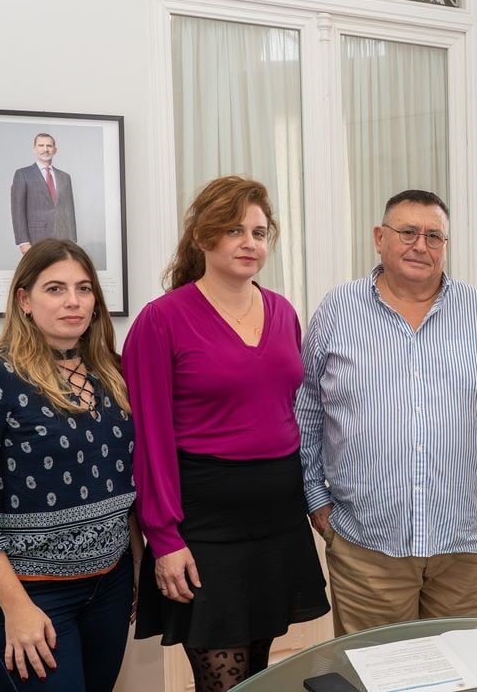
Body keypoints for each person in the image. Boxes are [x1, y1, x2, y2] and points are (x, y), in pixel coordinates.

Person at [296, 189, 477, 635]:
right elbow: (306, 408)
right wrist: (316, 496)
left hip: (463, 548)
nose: (420, 246)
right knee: (374, 676)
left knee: (466, 677)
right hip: (367, 547)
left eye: (434, 236)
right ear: (379, 237)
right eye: (407, 232)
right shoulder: (337, 310)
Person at [124, 176, 329, 691]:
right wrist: (163, 537)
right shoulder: (161, 320)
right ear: (203, 238)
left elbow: (288, 413)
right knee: (222, 681)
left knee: (258, 672)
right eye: (235, 230)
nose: (250, 243)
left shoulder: (282, 311)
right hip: (205, 526)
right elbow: (147, 438)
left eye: (260, 233)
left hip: (276, 518)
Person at [0, 239, 137, 691]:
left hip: (110, 588)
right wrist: (18, 608)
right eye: (55, 288)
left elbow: (127, 485)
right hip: (31, 597)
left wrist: (137, 568)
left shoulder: (114, 375)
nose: (73, 301)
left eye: (84, 289)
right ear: (24, 300)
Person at [11, 133, 77, 253]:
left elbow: (69, 210)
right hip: (35, 239)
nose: (45, 149)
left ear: (55, 150)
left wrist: (72, 240)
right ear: (34, 149)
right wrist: (23, 242)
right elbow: (17, 210)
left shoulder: (65, 177)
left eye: (49, 146)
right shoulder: (23, 174)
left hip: (63, 239)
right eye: (41, 145)